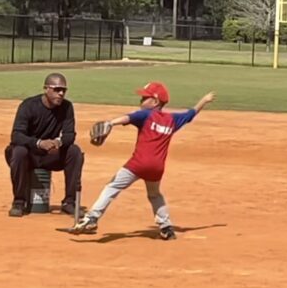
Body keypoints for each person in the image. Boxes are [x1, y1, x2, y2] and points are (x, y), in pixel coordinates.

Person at [70, 82, 215, 240]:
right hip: (157, 168)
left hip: (138, 164)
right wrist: (204, 100)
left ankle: (92, 218)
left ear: (155, 102)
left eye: (145, 97)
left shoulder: (146, 114)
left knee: (112, 187)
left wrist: (110, 123)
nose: (141, 100)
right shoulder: (172, 119)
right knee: (154, 195)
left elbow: (128, 118)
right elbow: (191, 113)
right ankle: (166, 227)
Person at [4, 73, 84, 217]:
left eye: (63, 90)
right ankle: (19, 202)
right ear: (46, 89)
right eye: (57, 89)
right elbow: (17, 135)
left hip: (50, 156)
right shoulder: (28, 106)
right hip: (29, 155)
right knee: (18, 151)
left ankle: (69, 202)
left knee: (75, 151)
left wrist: (57, 143)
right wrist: (39, 143)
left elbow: (69, 135)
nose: (60, 94)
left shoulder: (67, 107)